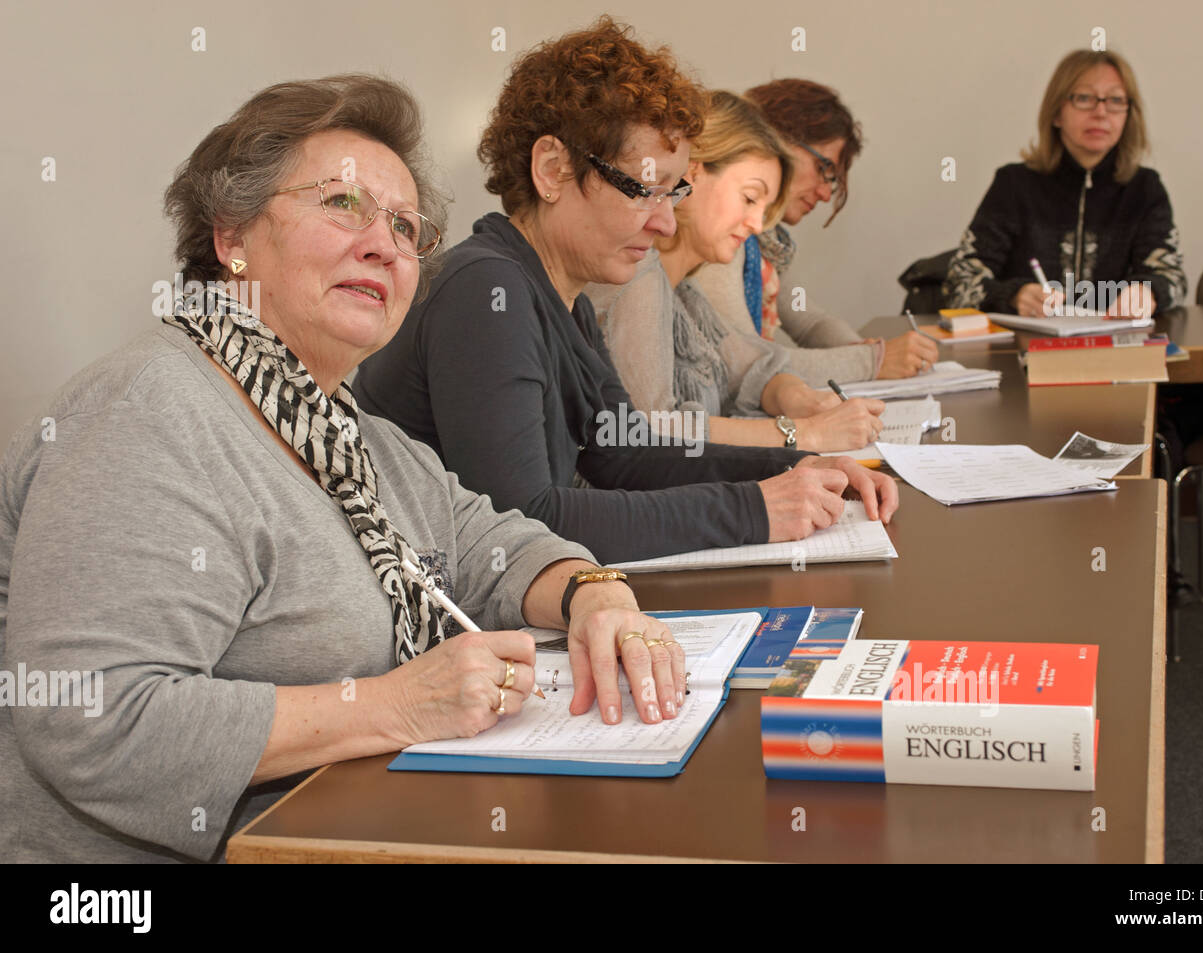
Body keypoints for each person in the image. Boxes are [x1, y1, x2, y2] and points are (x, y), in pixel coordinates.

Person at [0, 75, 689, 864]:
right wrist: (392, 707)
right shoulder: (146, 413)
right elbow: (94, 718)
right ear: (231, 237)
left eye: (404, 226)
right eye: (341, 204)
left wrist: (594, 593)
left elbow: (479, 540)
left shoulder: (342, 426)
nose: (385, 244)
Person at [354, 19, 898, 565]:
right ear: (553, 169)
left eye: (675, 192)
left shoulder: (569, 301)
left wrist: (791, 467)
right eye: (645, 190)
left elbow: (623, 452)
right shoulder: (486, 292)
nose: (666, 224)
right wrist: (755, 509)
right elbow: (520, 520)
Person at [588, 90, 886, 453]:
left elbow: (752, 368)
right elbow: (653, 429)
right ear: (692, 174)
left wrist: (800, 399)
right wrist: (803, 432)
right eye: (749, 198)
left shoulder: (686, 291)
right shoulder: (638, 274)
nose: (757, 225)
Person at [690, 78, 938, 381]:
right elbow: (743, 361)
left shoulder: (763, 241)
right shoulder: (721, 235)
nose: (824, 194)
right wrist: (870, 363)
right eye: (824, 169)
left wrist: (861, 350)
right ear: (776, 140)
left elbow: (808, 321)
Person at [942, 49, 1188, 318]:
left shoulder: (1145, 189)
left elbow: (1172, 278)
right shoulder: (1013, 185)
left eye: (1116, 100)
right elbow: (960, 282)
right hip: (1024, 351)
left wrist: (1148, 292)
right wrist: (1015, 296)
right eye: (1084, 98)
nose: (1101, 112)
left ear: (1129, 115)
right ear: (1057, 112)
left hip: (1114, 350)